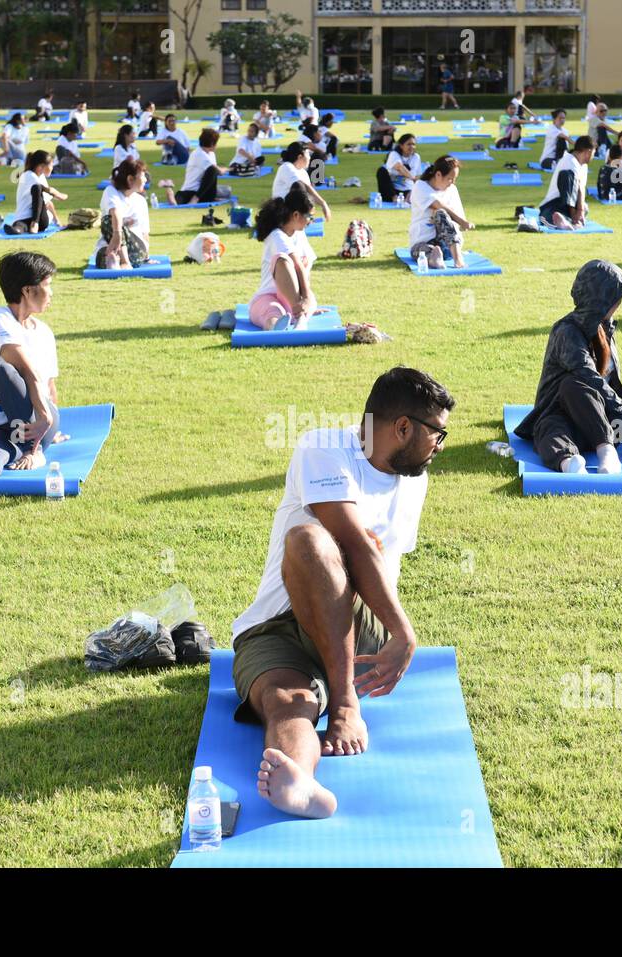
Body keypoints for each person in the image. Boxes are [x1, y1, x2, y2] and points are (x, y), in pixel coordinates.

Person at [231, 366, 455, 819]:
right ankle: (301, 782)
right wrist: (405, 632)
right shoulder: (323, 448)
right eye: (438, 433)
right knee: (286, 701)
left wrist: (387, 622)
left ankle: (343, 697)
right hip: (275, 626)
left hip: (358, 625)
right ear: (403, 427)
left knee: (317, 542)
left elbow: (378, 561)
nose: (440, 445)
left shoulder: (415, 481)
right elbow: (354, 545)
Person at [512, 260, 622, 476]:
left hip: (598, 417)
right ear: (603, 301)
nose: (619, 304)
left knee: (576, 395)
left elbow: (606, 383)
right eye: (616, 299)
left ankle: (606, 451)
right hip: (560, 410)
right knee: (559, 411)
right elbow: (591, 378)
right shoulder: (566, 332)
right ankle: (572, 462)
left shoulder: (605, 327)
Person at [0, 251, 63, 479]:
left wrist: (48, 423)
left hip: (38, 424)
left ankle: (35, 450)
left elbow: (50, 386)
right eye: (47, 285)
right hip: (1, 423)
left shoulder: (44, 332)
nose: (51, 292)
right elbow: (23, 367)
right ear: (28, 290)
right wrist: (45, 417)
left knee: (3, 372)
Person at [247, 186, 317, 330]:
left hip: (295, 301)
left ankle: (300, 316)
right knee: (282, 260)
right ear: (296, 215)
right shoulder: (276, 236)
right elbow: (297, 265)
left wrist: (307, 300)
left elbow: (305, 265)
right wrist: (305, 300)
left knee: (307, 300)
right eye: (310, 217)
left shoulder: (300, 234)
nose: (312, 221)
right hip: (269, 298)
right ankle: (280, 326)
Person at [408, 155, 473, 269]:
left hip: (448, 246)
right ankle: (434, 256)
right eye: (449, 178)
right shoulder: (420, 186)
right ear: (438, 175)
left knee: (440, 214)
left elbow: (458, 221)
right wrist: (463, 222)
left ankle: (457, 258)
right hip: (423, 242)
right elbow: (438, 205)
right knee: (440, 213)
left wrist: (453, 222)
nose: (452, 183)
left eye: (454, 179)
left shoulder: (452, 189)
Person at [94, 158, 151, 270]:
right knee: (101, 257)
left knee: (108, 221)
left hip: (135, 251)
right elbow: (115, 212)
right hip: (110, 246)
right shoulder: (111, 191)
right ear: (130, 179)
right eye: (142, 176)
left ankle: (124, 262)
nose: (145, 180)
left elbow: (145, 232)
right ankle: (114, 260)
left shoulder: (141, 201)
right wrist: (117, 234)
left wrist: (146, 257)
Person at [155, 128, 225, 206]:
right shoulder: (200, 155)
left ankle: (171, 191)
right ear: (212, 144)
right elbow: (219, 171)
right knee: (213, 171)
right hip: (194, 192)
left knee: (226, 190)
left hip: (195, 191)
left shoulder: (209, 154)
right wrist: (231, 168)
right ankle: (193, 198)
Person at [5, 150, 67, 234]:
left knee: (37, 188)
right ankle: (17, 229)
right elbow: (45, 197)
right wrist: (53, 192)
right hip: (24, 216)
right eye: (51, 165)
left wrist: (57, 221)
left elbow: (47, 202)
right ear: (41, 166)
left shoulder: (39, 176)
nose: (52, 168)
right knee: (20, 227)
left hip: (40, 220)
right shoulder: (29, 176)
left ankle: (35, 223)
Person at [539, 135, 592, 230]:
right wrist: (575, 214)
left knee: (584, 207)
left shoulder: (583, 166)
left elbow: (581, 188)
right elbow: (568, 191)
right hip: (554, 203)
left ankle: (566, 221)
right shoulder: (569, 161)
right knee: (545, 218)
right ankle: (565, 221)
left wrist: (581, 211)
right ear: (588, 152)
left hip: (571, 205)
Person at [272, 141, 331, 220]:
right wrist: (323, 203)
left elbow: (310, 190)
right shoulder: (286, 167)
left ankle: (303, 217)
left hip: (293, 211)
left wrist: (311, 207)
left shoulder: (302, 172)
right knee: (299, 186)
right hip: (281, 211)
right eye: (308, 154)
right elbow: (301, 185)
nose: (310, 157)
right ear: (300, 157)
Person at [377, 133, 423, 204]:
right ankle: (394, 198)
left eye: (413, 144)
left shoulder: (416, 157)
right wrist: (412, 178)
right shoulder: (394, 154)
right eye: (409, 144)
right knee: (381, 171)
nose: (412, 147)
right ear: (401, 146)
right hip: (391, 190)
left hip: (407, 189)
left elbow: (418, 175)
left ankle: (407, 198)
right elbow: (400, 167)